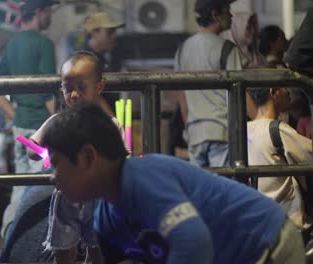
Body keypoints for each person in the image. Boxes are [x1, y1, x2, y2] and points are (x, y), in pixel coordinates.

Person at [40, 102, 306, 264]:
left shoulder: (141, 178)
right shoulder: (105, 219)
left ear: (88, 156)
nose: (54, 176)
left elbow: (193, 243)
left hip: (265, 242)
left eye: (56, 162)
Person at [31, 51, 129, 264]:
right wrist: (45, 149)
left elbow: (122, 159)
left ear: (99, 87)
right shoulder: (58, 120)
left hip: (99, 199)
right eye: (67, 89)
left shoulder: (109, 125)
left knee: (98, 251)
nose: (73, 95)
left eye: (81, 87)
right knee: (63, 253)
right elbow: (33, 148)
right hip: (67, 196)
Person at [0, 0, 58, 238]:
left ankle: (10, 232)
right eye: (49, 11)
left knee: (21, 184)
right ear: (39, 13)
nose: (50, 17)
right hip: (40, 131)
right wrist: (61, 120)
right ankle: (38, 238)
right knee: (44, 183)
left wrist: (14, 115)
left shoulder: (12, 44)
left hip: (20, 130)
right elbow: (47, 91)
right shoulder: (44, 44)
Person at [175, 0, 257, 167]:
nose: (231, 15)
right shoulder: (227, 49)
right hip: (222, 133)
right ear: (215, 15)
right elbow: (239, 92)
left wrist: (188, 123)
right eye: (227, 10)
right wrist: (260, 120)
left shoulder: (182, 49)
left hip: (195, 134)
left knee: (200, 189)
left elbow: (182, 95)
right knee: (223, 186)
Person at [247, 86, 312, 238]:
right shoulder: (276, 130)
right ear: (274, 92)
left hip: (262, 220)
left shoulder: (246, 130)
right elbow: (310, 154)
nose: (289, 91)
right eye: (284, 87)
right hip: (290, 223)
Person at [83, 12, 125, 114]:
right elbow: (93, 95)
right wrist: (113, 120)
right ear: (94, 32)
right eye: (110, 32)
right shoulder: (85, 60)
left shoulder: (103, 58)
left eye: (114, 31)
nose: (114, 36)